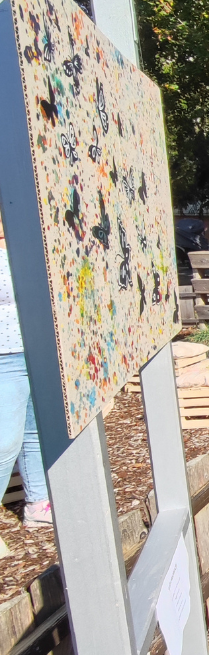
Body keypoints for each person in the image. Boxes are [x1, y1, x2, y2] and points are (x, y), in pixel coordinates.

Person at [0, 213, 54, 545]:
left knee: (36, 430)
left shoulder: (25, 235)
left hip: (37, 347)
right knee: (5, 441)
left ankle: (38, 502)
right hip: (4, 354)